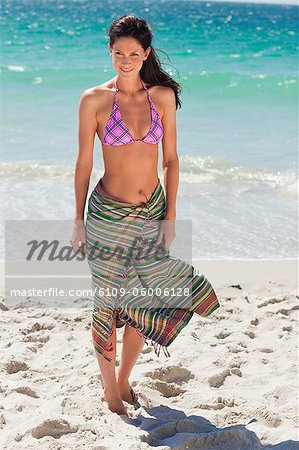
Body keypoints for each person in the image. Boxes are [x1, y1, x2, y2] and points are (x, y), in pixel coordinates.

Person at [70, 14, 220, 417]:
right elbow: (84, 164)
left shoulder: (162, 97)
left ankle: (123, 379)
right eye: (118, 53)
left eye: (133, 54)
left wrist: (171, 215)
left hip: (152, 210)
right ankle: (110, 393)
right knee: (106, 303)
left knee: (146, 300)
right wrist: (78, 220)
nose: (125, 60)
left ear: (146, 54)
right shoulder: (94, 100)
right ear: (110, 52)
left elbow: (171, 160)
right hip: (107, 216)